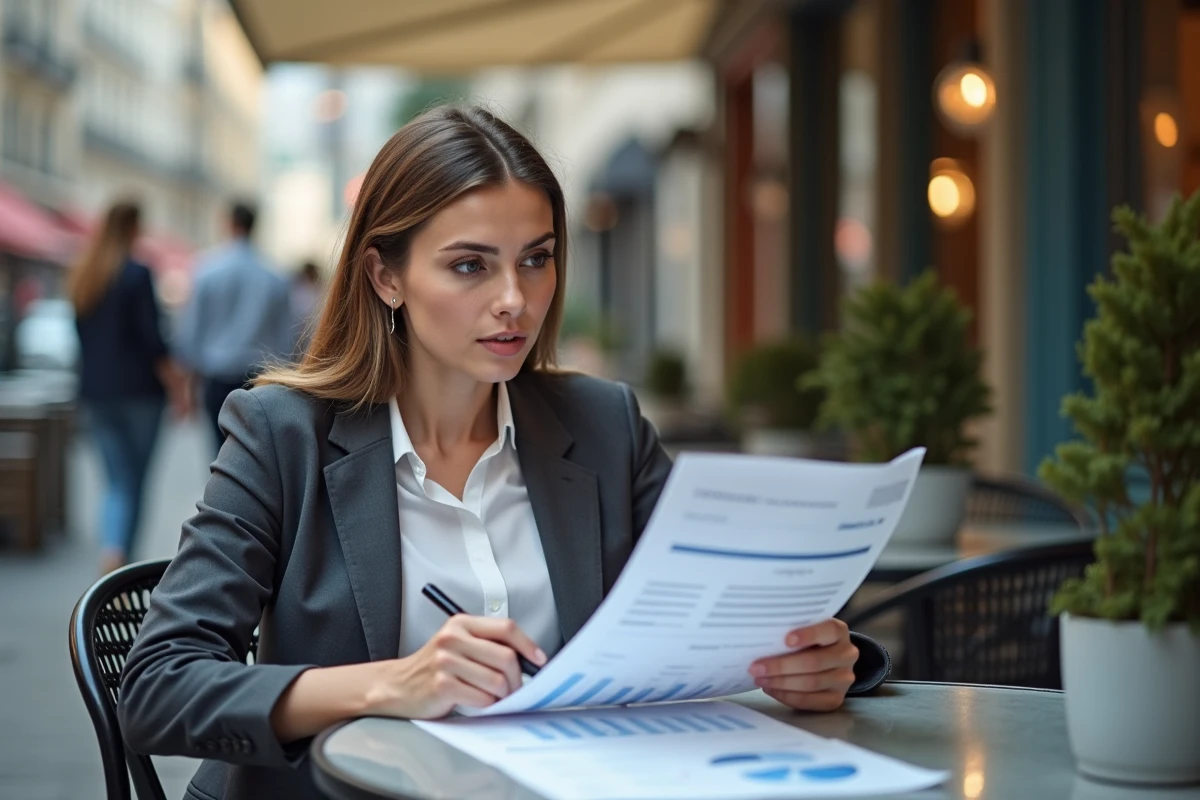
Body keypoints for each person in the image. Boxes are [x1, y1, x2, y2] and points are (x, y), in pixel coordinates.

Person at [118, 107, 887, 800]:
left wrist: (821, 659)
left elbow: (728, 605)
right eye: (470, 264)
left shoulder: (604, 423)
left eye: (536, 258)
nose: (514, 299)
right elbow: (157, 688)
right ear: (386, 276)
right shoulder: (282, 432)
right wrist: (393, 683)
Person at [68, 201, 190, 575]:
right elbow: (153, 340)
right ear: (133, 227)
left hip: (96, 394)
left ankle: (115, 551)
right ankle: (120, 560)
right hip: (140, 394)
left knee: (115, 480)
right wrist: (178, 388)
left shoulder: (84, 275)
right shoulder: (137, 274)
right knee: (134, 481)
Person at [174, 201, 300, 452]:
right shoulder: (274, 275)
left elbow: (191, 333)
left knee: (219, 454)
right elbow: (287, 337)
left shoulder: (207, 270)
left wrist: (185, 386)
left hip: (216, 375)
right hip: (260, 378)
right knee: (256, 457)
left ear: (229, 224)